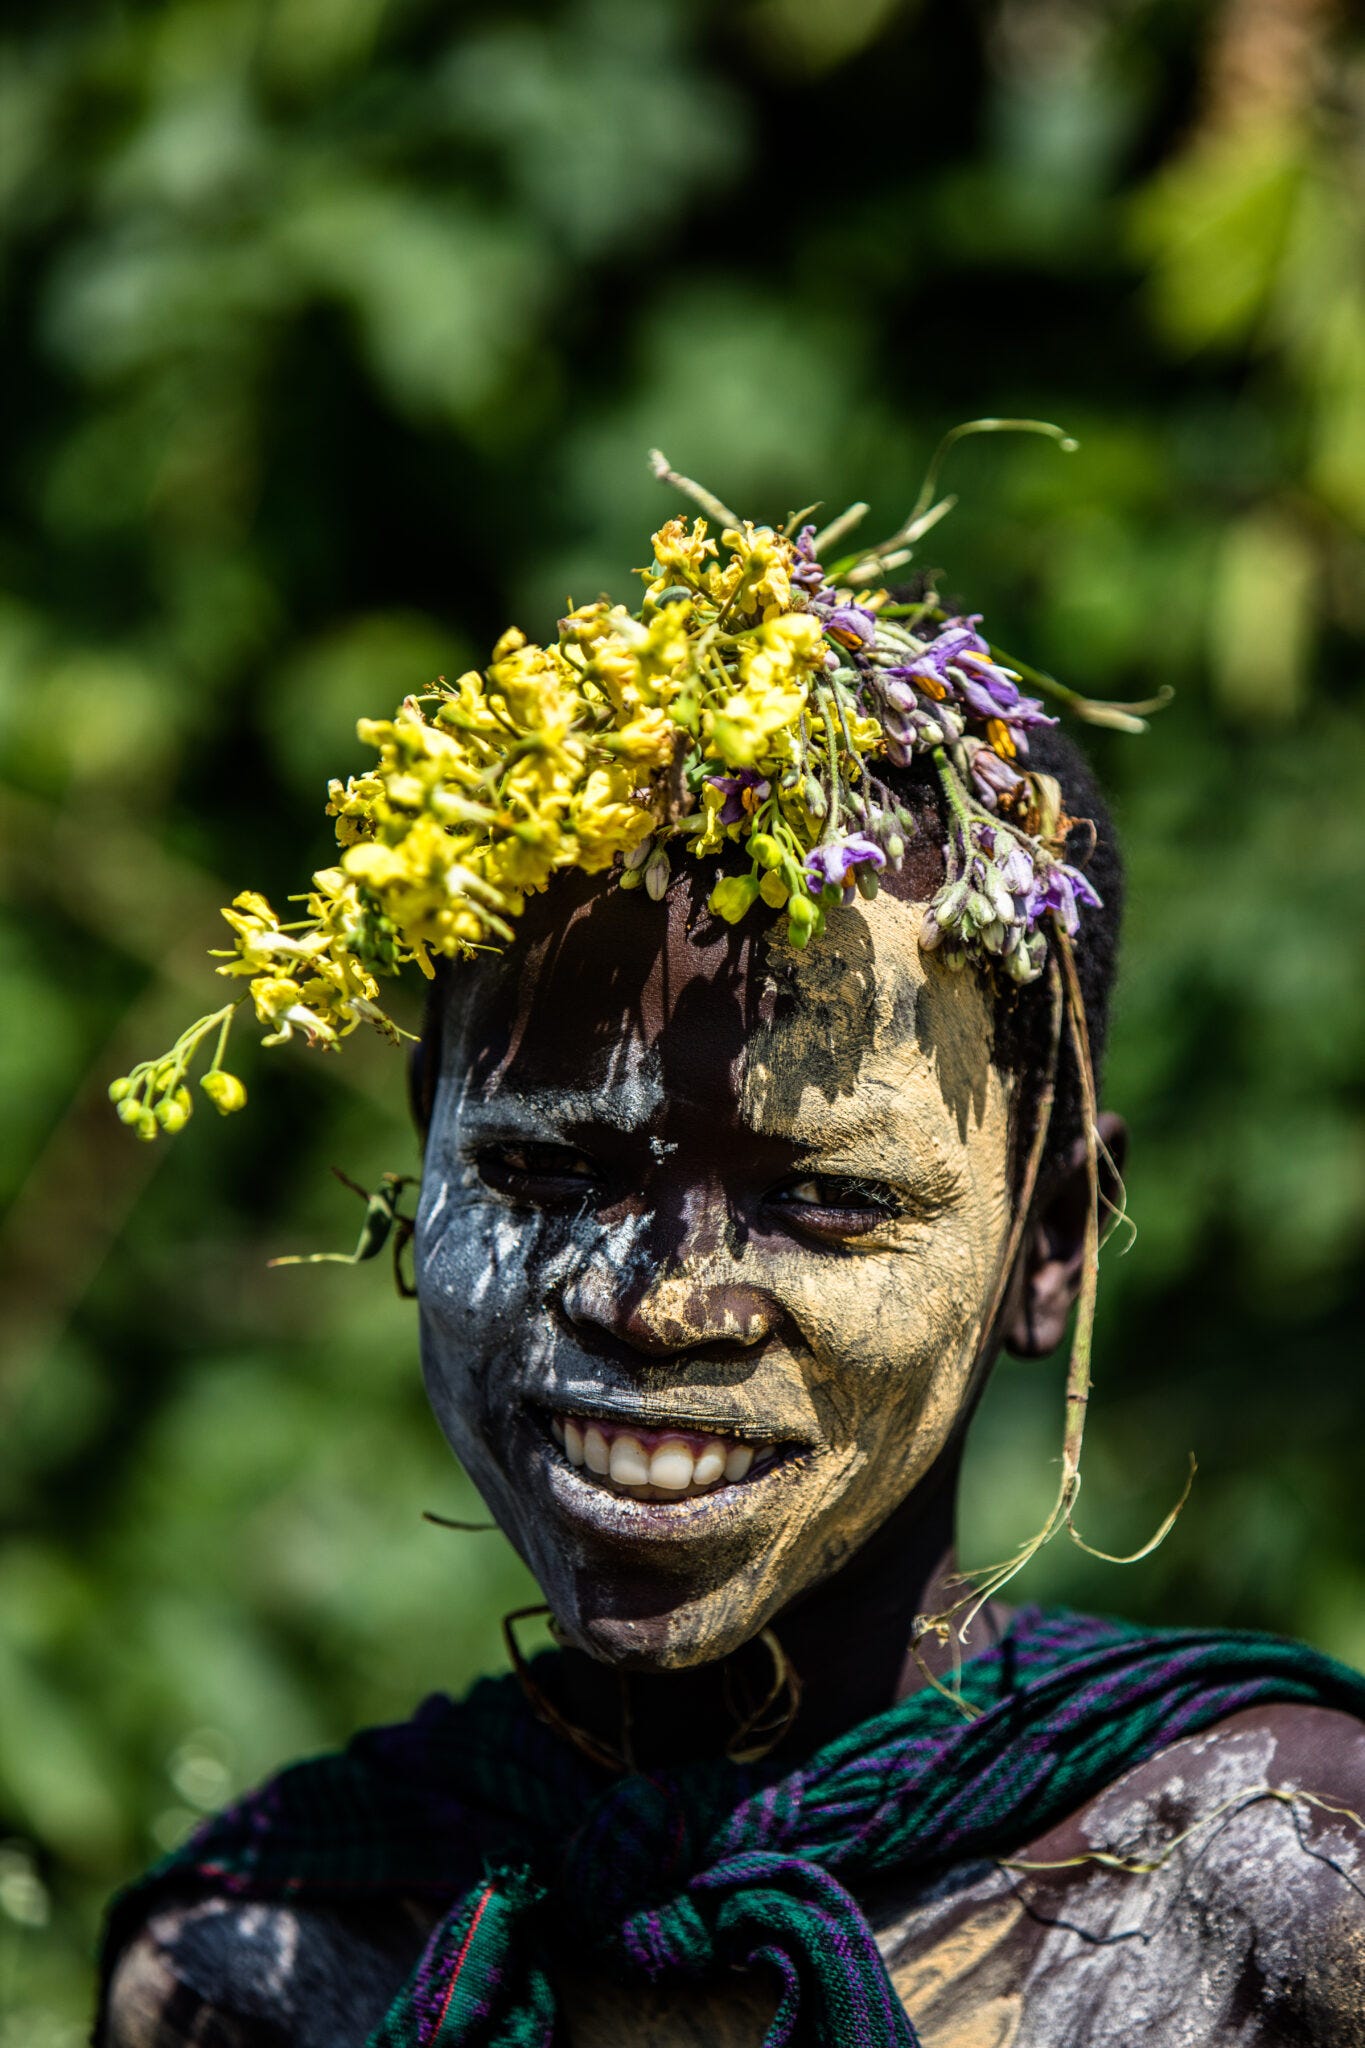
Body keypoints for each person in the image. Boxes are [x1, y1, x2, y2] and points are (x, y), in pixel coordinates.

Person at [99, 464, 1365, 2046]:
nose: (653, 1300)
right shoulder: (260, 1961)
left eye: (824, 1199)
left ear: (1049, 1245)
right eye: (546, 1168)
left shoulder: (1283, 1893)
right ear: (419, 1165)